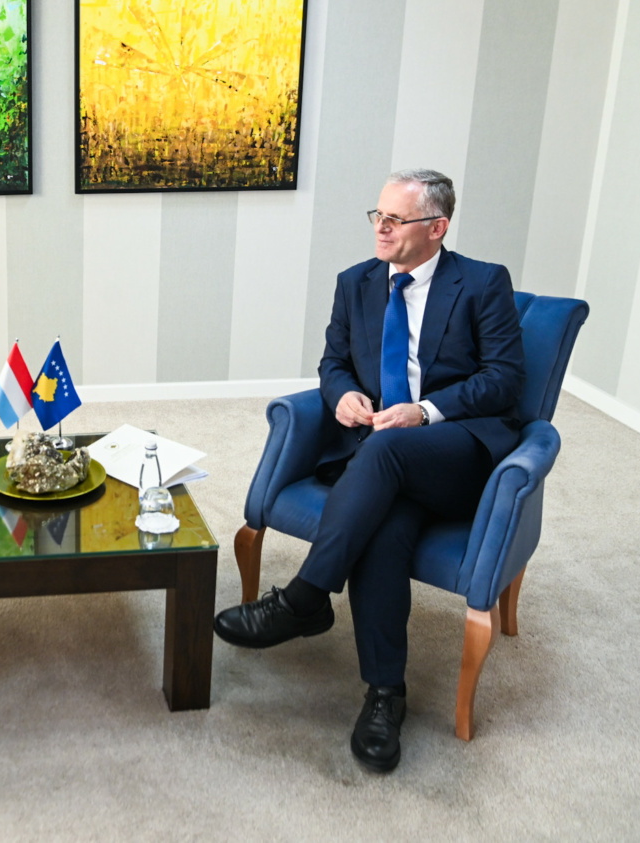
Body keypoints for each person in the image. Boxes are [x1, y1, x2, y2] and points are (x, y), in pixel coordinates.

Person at [213, 168, 525, 772]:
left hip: (455, 450)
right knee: (384, 527)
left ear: (437, 228)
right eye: (377, 215)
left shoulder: (483, 283)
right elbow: (333, 362)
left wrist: (424, 411)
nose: (380, 227)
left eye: (396, 219)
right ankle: (385, 695)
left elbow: (505, 380)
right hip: (383, 462)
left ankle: (306, 597)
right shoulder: (354, 282)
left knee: (383, 452)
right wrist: (343, 396)